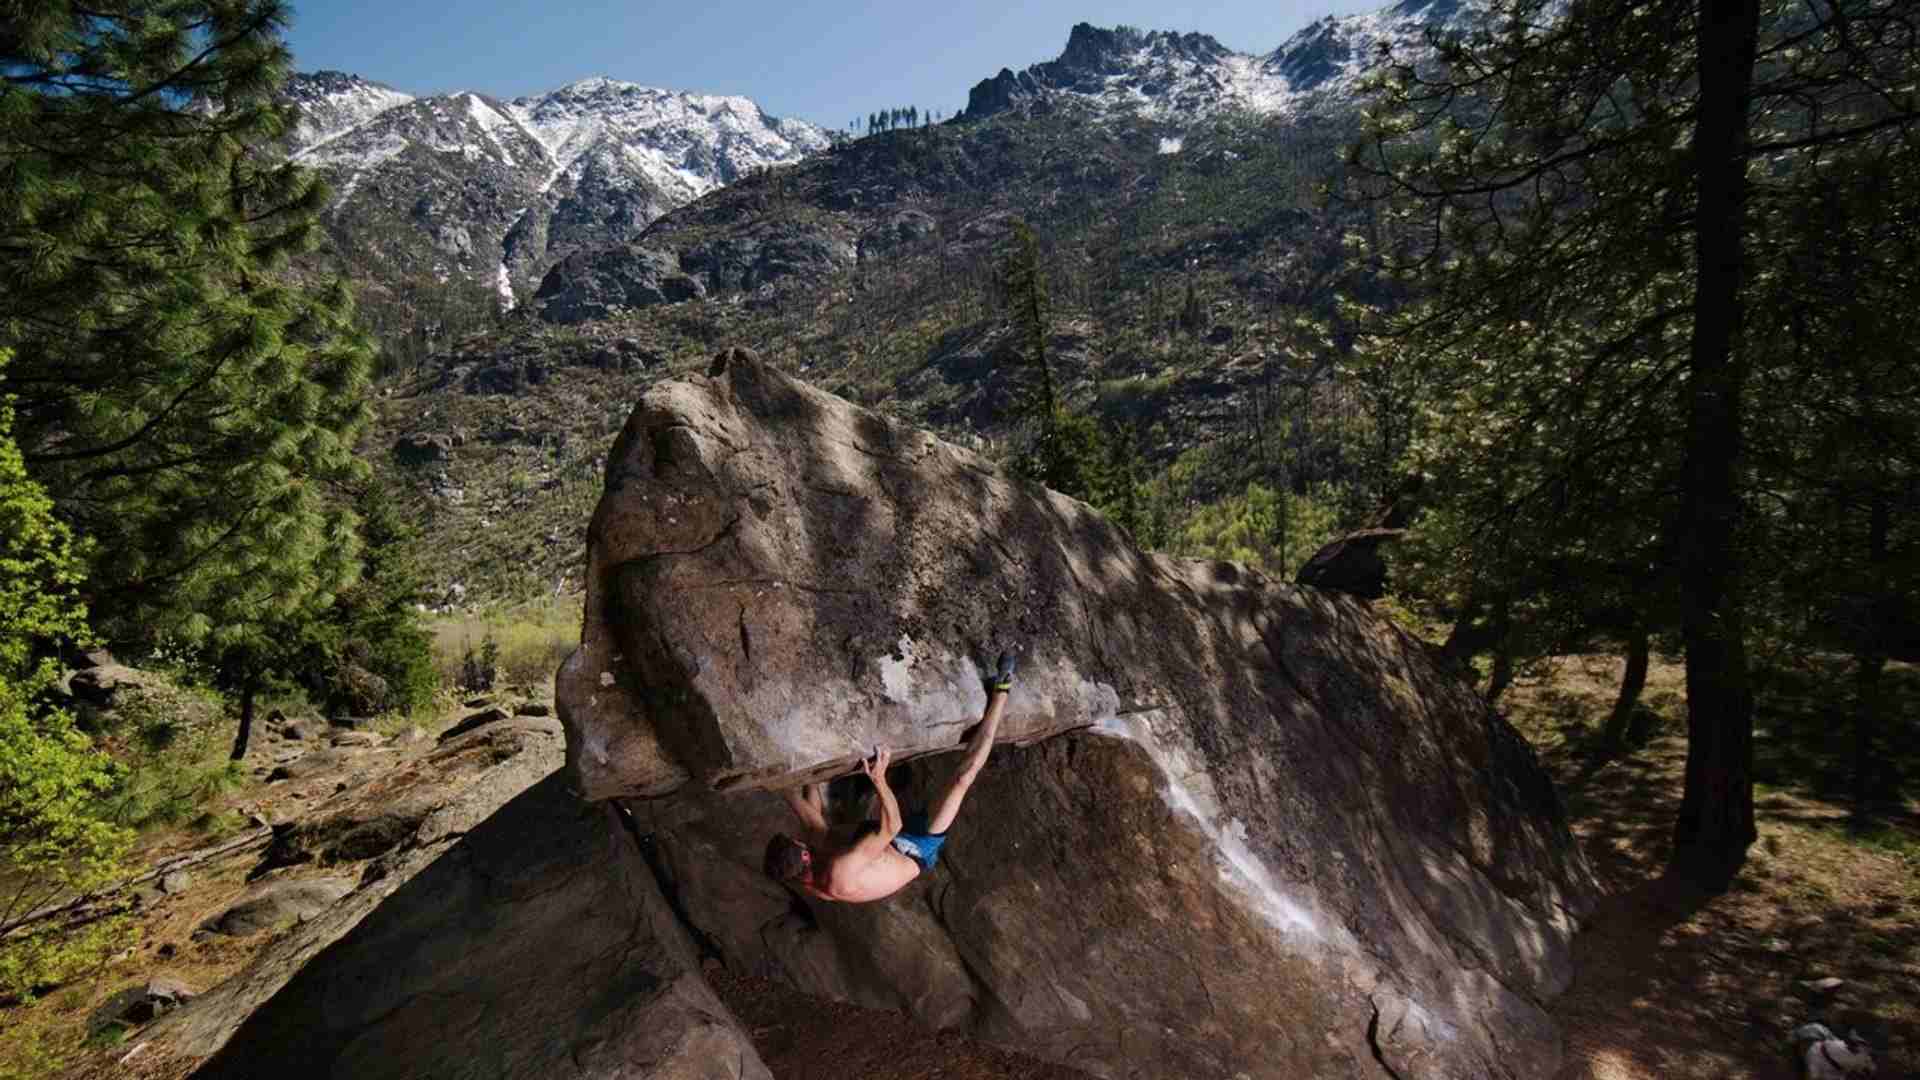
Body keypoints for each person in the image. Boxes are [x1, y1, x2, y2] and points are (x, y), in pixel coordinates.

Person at [764, 652, 1015, 903]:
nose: (800, 840)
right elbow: (891, 827)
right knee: (962, 778)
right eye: (798, 843)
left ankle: (790, 783)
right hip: (914, 847)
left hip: (874, 843)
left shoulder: (799, 871)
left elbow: (811, 827)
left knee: (818, 833)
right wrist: (879, 779)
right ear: (805, 856)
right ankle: (1002, 689)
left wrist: (789, 782)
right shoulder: (839, 873)